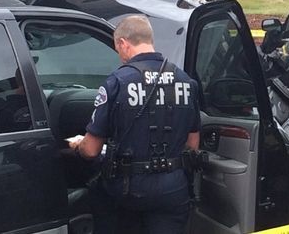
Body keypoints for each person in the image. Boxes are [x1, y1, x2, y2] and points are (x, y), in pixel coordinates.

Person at [69, 15, 200, 233]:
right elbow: (193, 144)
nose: (120, 55)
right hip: (173, 189)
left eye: (117, 47)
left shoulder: (117, 82)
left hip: (128, 191)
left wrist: (77, 146)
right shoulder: (186, 81)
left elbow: (91, 151)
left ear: (123, 43)